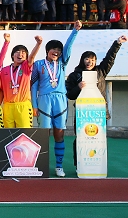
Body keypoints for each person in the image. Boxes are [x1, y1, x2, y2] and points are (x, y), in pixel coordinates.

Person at [31, 20, 82, 177]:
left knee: (59, 133)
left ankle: (59, 166)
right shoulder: (38, 64)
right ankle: (41, 165)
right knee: (44, 133)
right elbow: (33, 85)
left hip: (60, 100)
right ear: (47, 50)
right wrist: (34, 105)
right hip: (44, 100)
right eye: (54, 49)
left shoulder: (62, 63)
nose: (57, 52)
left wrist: (75, 31)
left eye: (59, 50)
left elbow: (68, 48)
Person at [66, 35, 126, 166]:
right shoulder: (74, 75)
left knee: (98, 139)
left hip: (98, 112)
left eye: (92, 60)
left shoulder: (101, 71)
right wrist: (78, 87)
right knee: (81, 139)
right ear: (82, 60)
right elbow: (70, 95)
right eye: (87, 59)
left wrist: (117, 43)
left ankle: (98, 163)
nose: (90, 62)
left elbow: (109, 58)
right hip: (82, 113)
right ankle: (80, 164)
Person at [1, 37, 43, 129]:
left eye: (23, 52)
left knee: (24, 134)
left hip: (23, 106)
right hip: (8, 106)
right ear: (12, 55)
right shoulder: (4, 70)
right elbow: (1, 90)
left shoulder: (26, 68)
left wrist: (38, 44)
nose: (20, 54)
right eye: (17, 52)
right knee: (8, 135)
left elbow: (32, 57)